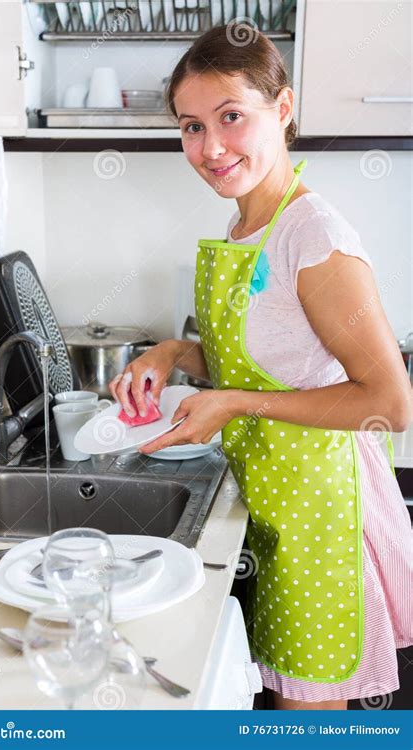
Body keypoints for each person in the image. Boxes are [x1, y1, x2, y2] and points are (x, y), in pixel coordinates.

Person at [109, 25, 412, 711]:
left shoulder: (314, 234)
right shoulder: (250, 225)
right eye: (191, 126)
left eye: (231, 117)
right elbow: (266, 360)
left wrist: (235, 405)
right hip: (277, 511)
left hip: (323, 526)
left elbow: (391, 403)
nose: (210, 147)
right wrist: (170, 355)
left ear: (283, 110)